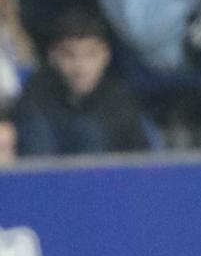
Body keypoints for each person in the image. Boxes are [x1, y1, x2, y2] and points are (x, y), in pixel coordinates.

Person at [14, 9, 150, 156]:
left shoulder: (120, 101)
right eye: (69, 55)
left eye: (90, 55)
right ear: (52, 56)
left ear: (106, 56)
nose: (80, 66)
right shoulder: (34, 95)